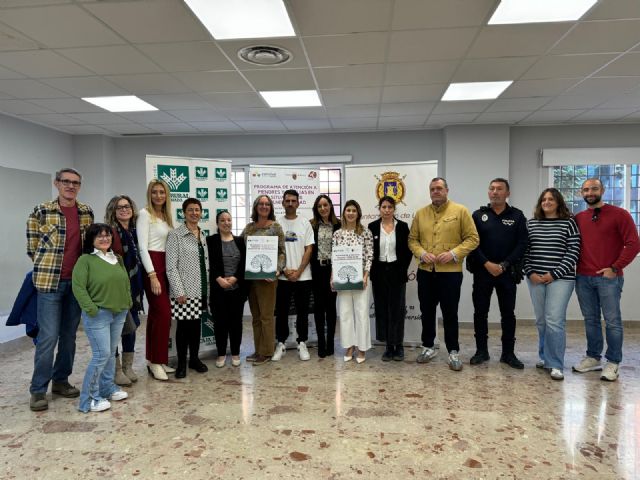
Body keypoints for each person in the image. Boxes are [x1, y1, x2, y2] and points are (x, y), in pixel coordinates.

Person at [26, 167, 94, 412]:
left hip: (76, 285)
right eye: (66, 181)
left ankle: (61, 381)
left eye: (75, 182)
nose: (70, 186)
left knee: (69, 337)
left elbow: (88, 249)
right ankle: (37, 390)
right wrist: (47, 268)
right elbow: (32, 248)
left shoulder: (86, 212)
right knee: (48, 337)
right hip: (49, 285)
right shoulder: (42, 211)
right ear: (56, 183)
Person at [572, 178, 640, 381]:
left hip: (608, 278)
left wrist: (615, 267)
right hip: (583, 277)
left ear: (603, 190)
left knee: (612, 322)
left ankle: (613, 362)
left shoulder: (620, 215)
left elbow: (634, 244)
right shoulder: (578, 218)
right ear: (581, 193)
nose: (589, 192)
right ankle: (593, 357)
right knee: (591, 320)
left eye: (594, 188)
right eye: (585, 190)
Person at [408, 177, 479, 371]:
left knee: (450, 313)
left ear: (447, 190)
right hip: (425, 272)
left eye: (439, 188)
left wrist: (454, 254)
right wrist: (422, 253)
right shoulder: (421, 214)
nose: (435, 192)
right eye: (432, 189)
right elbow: (412, 240)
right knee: (427, 312)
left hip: (450, 273)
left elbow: (473, 239)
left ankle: (453, 351)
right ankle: (428, 347)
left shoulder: (460, 211)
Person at [468, 178, 528, 369]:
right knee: (480, 313)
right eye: (492, 189)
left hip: (507, 273)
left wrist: (504, 265)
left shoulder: (517, 216)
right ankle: (481, 351)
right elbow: (472, 242)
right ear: (488, 192)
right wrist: (486, 263)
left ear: (507, 193)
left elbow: (522, 244)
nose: (495, 192)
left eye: (499, 189)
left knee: (508, 314)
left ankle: (508, 354)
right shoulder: (478, 215)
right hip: (483, 271)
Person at [72, 223, 132, 412]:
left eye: (107, 235)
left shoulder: (117, 259)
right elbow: (78, 287)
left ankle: (107, 388)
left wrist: (128, 301)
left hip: (119, 312)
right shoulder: (85, 260)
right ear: (91, 240)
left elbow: (125, 282)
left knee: (110, 353)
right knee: (101, 355)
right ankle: (89, 399)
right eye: (99, 236)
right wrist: (92, 309)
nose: (104, 238)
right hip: (98, 314)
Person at [523, 189, 580, 381]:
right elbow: (525, 251)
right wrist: (530, 272)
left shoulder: (569, 222)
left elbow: (574, 251)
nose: (547, 202)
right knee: (541, 320)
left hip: (561, 279)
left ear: (558, 202)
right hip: (535, 279)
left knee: (554, 320)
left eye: (551, 199)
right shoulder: (531, 224)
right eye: (544, 199)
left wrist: (554, 274)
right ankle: (545, 357)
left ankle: (555, 364)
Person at [166, 198, 210, 378]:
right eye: (190, 210)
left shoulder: (203, 234)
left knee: (196, 327)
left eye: (197, 210)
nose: (194, 213)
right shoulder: (175, 235)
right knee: (183, 328)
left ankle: (194, 359)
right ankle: (182, 363)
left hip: (201, 288)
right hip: (185, 291)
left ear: (201, 212)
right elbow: (171, 266)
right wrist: (179, 291)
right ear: (184, 213)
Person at [105, 195, 144, 386]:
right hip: (117, 288)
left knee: (131, 327)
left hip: (135, 287)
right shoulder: (110, 233)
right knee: (115, 329)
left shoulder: (137, 232)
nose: (124, 210)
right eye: (119, 207)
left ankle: (128, 367)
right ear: (113, 211)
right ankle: (116, 369)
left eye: (127, 206)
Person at [241, 195, 285, 366]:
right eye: (261, 204)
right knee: (256, 317)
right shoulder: (249, 228)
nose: (264, 206)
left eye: (267, 204)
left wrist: (277, 270)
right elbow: (241, 248)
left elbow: (282, 252)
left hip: (268, 279)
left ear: (271, 207)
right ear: (256, 206)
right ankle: (258, 349)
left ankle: (266, 352)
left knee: (266, 316)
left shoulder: (276, 227)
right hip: (251, 278)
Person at [137, 179, 174, 381]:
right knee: (163, 314)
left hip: (166, 266)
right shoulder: (145, 214)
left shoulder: (166, 217)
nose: (158, 195)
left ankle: (154, 360)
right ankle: (158, 361)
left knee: (156, 316)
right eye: (154, 192)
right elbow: (142, 247)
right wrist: (152, 275)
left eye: (162, 192)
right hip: (153, 267)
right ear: (149, 195)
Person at [368, 196, 412, 362]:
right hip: (379, 273)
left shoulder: (402, 227)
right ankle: (388, 346)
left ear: (394, 209)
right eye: (383, 207)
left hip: (397, 272)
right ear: (379, 208)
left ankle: (398, 345)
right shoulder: (372, 227)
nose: (386, 210)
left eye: (389, 207)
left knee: (397, 310)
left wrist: (401, 268)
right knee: (382, 309)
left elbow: (408, 252)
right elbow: (369, 251)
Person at [272, 190, 314, 362]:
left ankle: (302, 342)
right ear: (282, 203)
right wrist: (284, 270)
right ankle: (280, 343)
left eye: (293, 201)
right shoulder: (276, 224)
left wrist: (298, 271)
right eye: (287, 200)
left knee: (303, 312)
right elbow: (272, 249)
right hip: (282, 277)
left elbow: (309, 249)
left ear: (298, 203)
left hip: (303, 277)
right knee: (281, 312)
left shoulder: (305, 223)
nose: (290, 203)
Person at [332, 200, 374, 364]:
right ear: (344, 213)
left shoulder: (365, 232)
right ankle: (349, 346)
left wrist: (365, 275)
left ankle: (362, 347)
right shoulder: (337, 234)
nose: (350, 213)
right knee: (345, 313)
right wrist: (332, 277)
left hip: (361, 279)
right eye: (348, 210)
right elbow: (334, 258)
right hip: (342, 279)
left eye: (353, 210)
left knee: (361, 313)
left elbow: (369, 255)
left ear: (358, 213)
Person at [207, 210, 247, 368]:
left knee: (236, 322)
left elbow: (244, 263)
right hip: (219, 289)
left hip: (237, 290)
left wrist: (235, 277)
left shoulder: (240, 241)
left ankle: (236, 353)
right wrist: (219, 279)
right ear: (217, 223)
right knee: (220, 323)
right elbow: (209, 262)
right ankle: (221, 353)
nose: (226, 223)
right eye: (222, 220)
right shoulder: (211, 240)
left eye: (229, 220)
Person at [310, 194, 341, 358]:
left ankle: (330, 342)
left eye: (325, 205)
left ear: (330, 206)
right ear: (316, 209)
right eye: (319, 206)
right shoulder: (312, 225)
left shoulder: (339, 225)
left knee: (331, 308)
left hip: (334, 269)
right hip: (317, 270)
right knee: (319, 308)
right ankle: (321, 343)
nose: (323, 208)